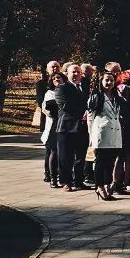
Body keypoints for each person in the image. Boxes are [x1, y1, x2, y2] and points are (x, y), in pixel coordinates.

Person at [87, 71, 123, 201]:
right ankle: (99, 186)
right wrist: (91, 137)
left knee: (110, 162)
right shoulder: (96, 96)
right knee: (101, 162)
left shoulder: (116, 97)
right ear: (101, 82)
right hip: (102, 133)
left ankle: (107, 185)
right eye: (106, 80)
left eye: (111, 80)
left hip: (115, 133)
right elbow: (90, 118)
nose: (109, 83)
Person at [54, 62, 89, 192]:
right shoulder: (62, 88)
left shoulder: (85, 88)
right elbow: (65, 106)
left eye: (78, 72)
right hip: (66, 127)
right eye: (73, 72)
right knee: (65, 157)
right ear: (67, 74)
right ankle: (66, 181)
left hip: (82, 127)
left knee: (81, 156)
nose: (76, 74)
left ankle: (79, 180)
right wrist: (84, 112)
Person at [36, 60, 61, 181]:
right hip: (49, 119)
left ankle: (57, 172)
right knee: (49, 149)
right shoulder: (42, 84)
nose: (55, 69)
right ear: (47, 69)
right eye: (52, 67)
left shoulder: (62, 82)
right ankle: (48, 173)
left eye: (57, 67)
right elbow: (41, 102)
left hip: (61, 121)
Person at [41, 70, 65, 189]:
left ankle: (63, 177)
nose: (57, 79)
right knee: (54, 151)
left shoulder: (68, 91)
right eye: (54, 78)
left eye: (59, 78)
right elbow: (50, 107)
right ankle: (53, 178)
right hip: (54, 126)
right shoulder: (50, 93)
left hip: (66, 124)